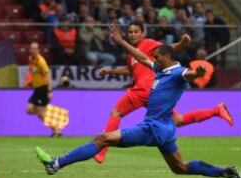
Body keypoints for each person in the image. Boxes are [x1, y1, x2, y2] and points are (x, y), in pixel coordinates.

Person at [36, 26, 241, 178]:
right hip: (165, 129)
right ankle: (225, 172)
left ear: (167, 56)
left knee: (102, 138)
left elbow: (188, 74)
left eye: (157, 57)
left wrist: (197, 73)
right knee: (180, 168)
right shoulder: (160, 69)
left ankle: (56, 164)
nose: (153, 60)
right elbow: (140, 57)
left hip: (153, 128)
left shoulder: (177, 72)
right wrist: (121, 43)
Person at [93, 21, 233, 164]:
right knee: (177, 120)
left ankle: (101, 151)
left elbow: (167, 50)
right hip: (156, 93)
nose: (133, 34)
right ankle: (217, 111)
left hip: (144, 89)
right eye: (130, 32)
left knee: (116, 113)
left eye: (136, 31)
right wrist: (110, 70)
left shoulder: (147, 44)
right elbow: (130, 70)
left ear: (143, 33)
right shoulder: (131, 55)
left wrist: (181, 43)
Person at [26, 42, 61, 137]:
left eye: (35, 49)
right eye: (31, 49)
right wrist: (30, 82)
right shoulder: (30, 59)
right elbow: (34, 73)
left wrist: (49, 91)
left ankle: (56, 130)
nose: (32, 51)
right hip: (36, 89)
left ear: (38, 50)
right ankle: (56, 128)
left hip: (43, 89)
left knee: (41, 113)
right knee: (29, 109)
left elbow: (48, 74)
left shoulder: (41, 61)